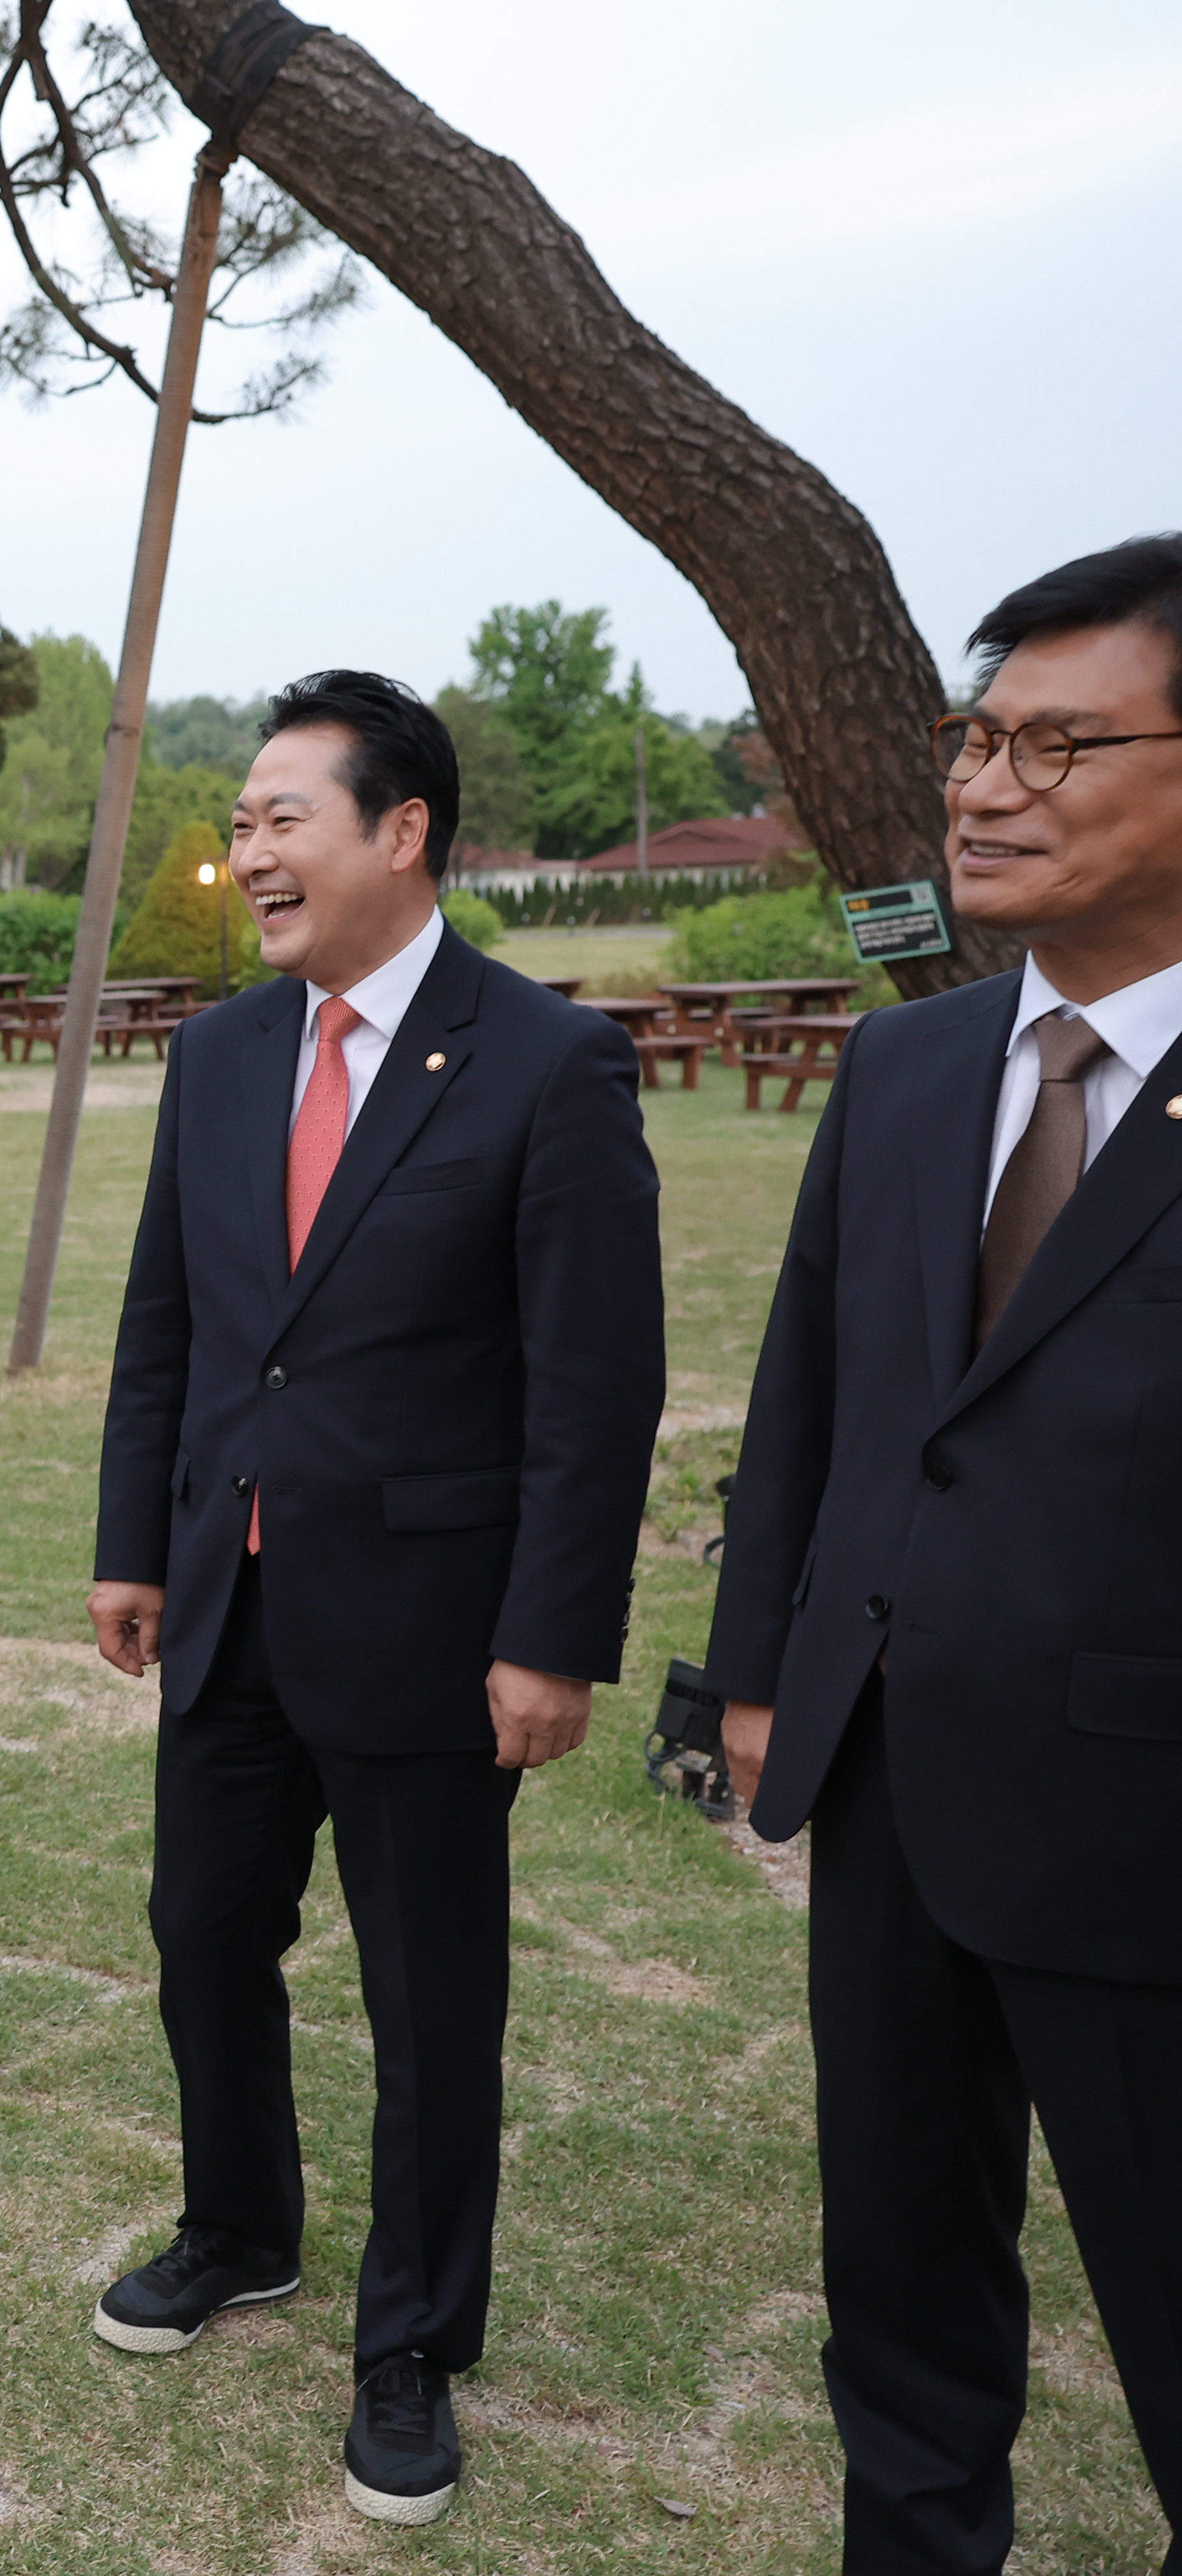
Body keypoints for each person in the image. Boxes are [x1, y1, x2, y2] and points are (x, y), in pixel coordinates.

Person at [86, 670, 663, 2528]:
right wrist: (131, 1541)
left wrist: (554, 1635)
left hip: (431, 1627)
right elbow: (169, 1321)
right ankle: (240, 2227)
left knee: (432, 2003)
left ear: (400, 832)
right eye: (241, 821)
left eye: (279, 817)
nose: (245, 850)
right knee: (200, 1936)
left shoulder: (547, 1061)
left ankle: (409, 2339)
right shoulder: (221, 1054)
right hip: (230, 1605)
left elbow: (595, 1384)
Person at [708, 536, 1182, 2574]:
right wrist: (754, 1679)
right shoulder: (906, 1068)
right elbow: (808, 1387)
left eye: (1054, 745)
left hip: (1144, 1830)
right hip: (886, 1782)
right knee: (898, 2297)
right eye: (971, 738)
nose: (980, 787)